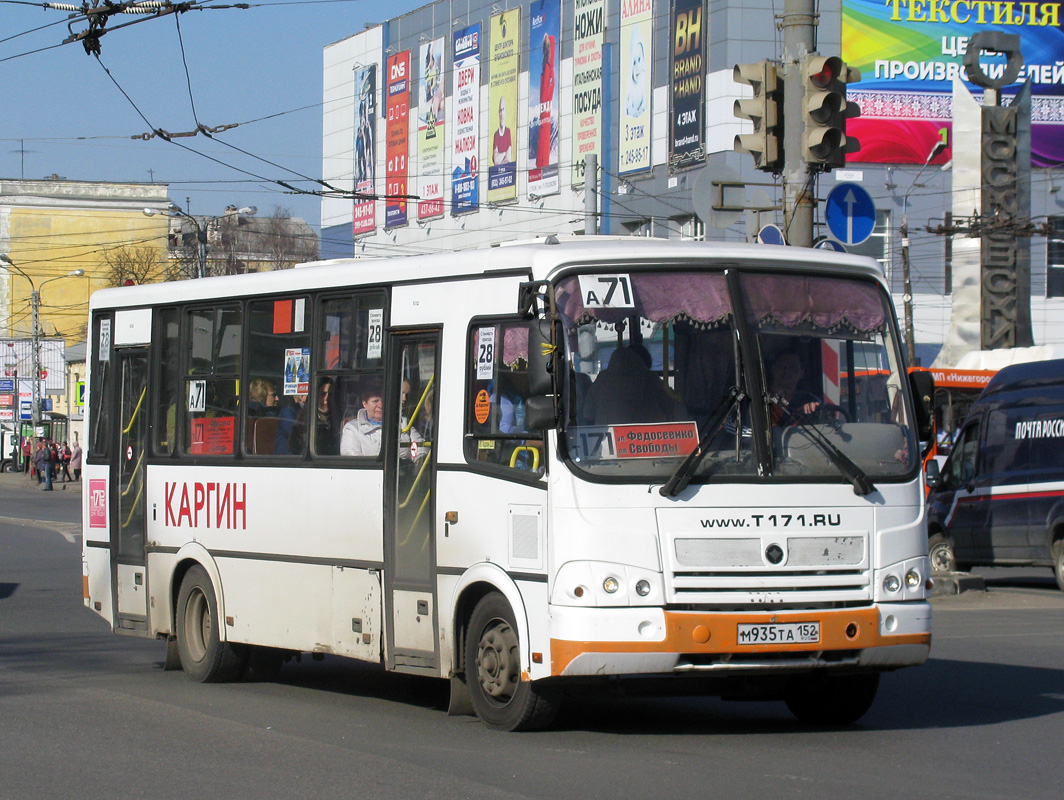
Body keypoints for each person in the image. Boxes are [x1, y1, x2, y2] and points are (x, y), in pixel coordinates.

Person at [340, 381, 423, 457]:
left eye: (383, 401)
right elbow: (354, 461)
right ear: (364, 403)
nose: (380, 405)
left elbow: (421, 446)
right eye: (375, 401)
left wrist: (418, 461)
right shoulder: (352, 428)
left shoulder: (402, 422)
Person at [767, 350, 822, 424]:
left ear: (801, 374)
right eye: (781, 366)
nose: (786, 371)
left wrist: (813, 409)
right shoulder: (759, 397)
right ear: (773, 368)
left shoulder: (809, 401)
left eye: (793, 368)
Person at [536, 32, 556, 168]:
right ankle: (541, 163)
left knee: (543, 141)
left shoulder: (549, 69)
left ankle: (542, 163)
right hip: (543, 114)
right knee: (542, 141)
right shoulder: (546, 68)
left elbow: (546, 92)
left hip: (545, 114)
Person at [624, 29, 648, 118]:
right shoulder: (630, 86)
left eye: (639, 60)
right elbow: (628, 108)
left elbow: (645, 101)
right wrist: (634, 113)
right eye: (634, 62)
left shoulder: (643, 80)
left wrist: (642, 109)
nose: (637, 67)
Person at [492, 96, 513, 166]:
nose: (502, 113)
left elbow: (508, 158)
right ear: (498, 113)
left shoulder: (508, 132)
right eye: (500, 110)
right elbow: (496, 161)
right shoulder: (496, 135)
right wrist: (504, 153)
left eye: (503, 109)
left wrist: (500, 155)